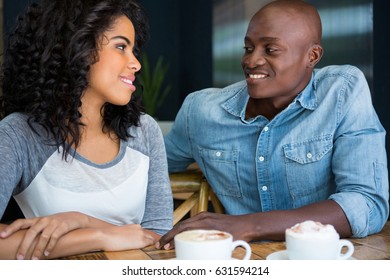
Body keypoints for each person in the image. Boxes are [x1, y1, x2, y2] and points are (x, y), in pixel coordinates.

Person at [158, 0, 389, 249]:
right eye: (248, 48)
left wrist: (249, 225)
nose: (251, 60)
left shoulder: (341, 92)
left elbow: (367, 203)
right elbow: (147, 166)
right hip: (243, 262)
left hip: (323, 261)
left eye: (271, 50)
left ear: (312, 56)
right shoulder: (201, 111)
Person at [0, 0, 173, 259]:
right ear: (75, 47)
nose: (135, 63)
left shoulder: (144, 131)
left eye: (133, 49)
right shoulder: (18, 134)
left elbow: (159, 241)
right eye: (121, 47)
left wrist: (81, 221)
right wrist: (97, 236)